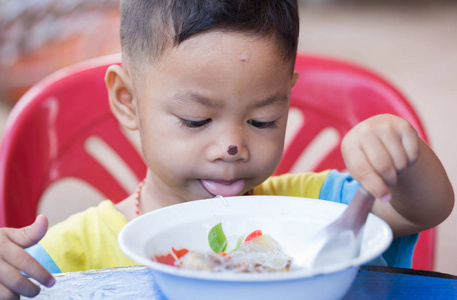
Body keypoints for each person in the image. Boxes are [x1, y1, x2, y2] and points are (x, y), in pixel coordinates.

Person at [0, 0, 454, 298]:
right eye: (196, 120)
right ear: (127, 101)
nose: (232, 144)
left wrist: (400, 152)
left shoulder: (315, 214)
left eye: (263, 120)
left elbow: (422, 211)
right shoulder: (72, 253)